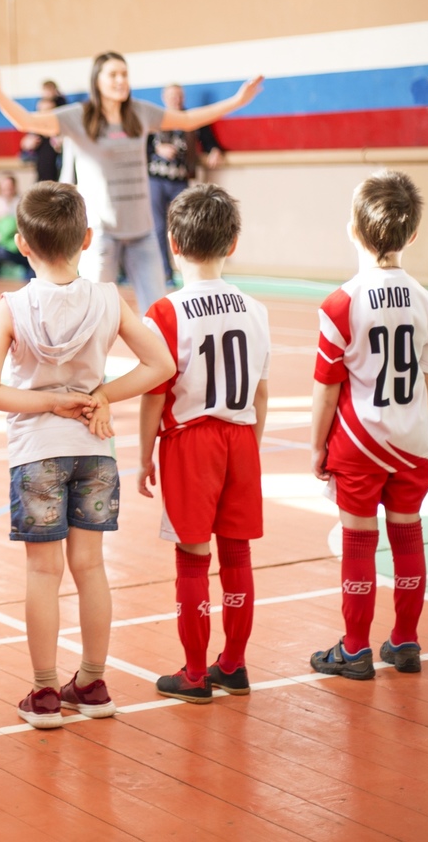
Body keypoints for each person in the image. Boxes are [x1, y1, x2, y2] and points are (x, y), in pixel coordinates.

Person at [0, 183, 173, 726]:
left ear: (21, 243)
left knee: (44, 573)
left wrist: (47, 401)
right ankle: (92, 681)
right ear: (87, 239)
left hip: (37, 452)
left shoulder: (13, 306)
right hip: (95, 451)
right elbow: (160, 365)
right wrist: (100, 396)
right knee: (91, 567)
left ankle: (43, 692)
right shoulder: (109, 298)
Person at [0, 53, 262, 316]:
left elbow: (186, 120)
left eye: (124, 74)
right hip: (101, 235)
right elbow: (27, 121)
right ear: (98, 80)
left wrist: (236, 101)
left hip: (142, 233)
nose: (121, 80)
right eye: (113, 74)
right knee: (94, 316)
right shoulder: (78, 117)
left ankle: (159, 375)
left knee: (158, 316)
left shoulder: (139, 113)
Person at [301, 173, 428, 679]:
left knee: (358, 540)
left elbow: (326, 389)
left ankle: (356, 649)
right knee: (408, 537)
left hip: (359, 442)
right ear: (413, 235)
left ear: (353, 232)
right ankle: (406, 642)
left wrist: (316, 448)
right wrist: (420, 434)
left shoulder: (341, 303)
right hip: (411, 443)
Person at [137, 185, 271, 702]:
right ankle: (233, 666)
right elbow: (261, 390)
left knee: (193, 557)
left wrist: (143, 453)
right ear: (233, 243)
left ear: (172, 243)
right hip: (240, 436)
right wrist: (251, 443)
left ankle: (194, 675)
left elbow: (154, 395)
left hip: (191, 441)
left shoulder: (166, 312)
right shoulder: (255, 309)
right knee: (236, 555)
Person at [147, 85, 224, 285]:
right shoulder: (155, 119)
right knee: (157, 227)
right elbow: (141, 146)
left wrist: (215, 150)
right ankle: (164, 272)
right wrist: (159, 149)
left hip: (180, 181)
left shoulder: (192, 119)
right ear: (164, 98)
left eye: (179, 96)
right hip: (155, 179)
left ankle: (189, 271)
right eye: (172, 96)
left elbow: (209, 141)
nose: (176, 99)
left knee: (183, 226)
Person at [22, 80, 68, 183]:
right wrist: (26, 146)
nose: (44, 114)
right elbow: (24, 157)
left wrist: (62, 145)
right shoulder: (35, 131)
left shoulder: (62, 130)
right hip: (41, 177)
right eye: (41, 111)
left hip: (60, 177)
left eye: (48, 111)